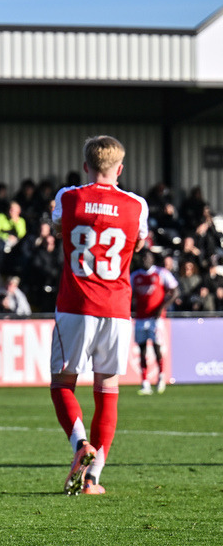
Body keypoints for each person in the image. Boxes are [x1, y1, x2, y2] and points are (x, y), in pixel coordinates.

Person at [49, 135, 148, 496]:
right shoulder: (137, 204)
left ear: (86, 165)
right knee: (108, 390)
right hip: (117, 308)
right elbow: (138, 243)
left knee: (62, 384)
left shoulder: (68, 197)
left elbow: (59, 228)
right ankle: (93, 479)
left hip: (75, 306)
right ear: (120, 169)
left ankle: (80, 446)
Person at [130, 250, 179, 394]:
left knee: (157, 348)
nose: (145, 259)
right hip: (140, 318)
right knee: (142, 349)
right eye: (143, 257)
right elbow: (129, 294)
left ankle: (161, 377)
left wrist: (162, 307)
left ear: (152, 259)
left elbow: (175, 291)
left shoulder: (161, 273)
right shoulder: (135, 276)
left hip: (156, 319)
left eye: (148, 257)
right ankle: (145, 382)